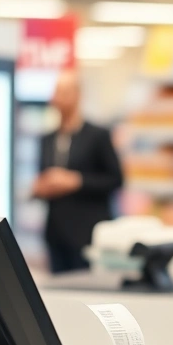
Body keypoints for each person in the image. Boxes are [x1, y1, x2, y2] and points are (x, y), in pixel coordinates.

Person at [33, 69, 123, 274]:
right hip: (56, 232)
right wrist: (41, 187)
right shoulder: (47, 139)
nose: (57, 98)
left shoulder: (97, 136)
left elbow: (116, 179)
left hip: (87, 231)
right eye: (56, 92)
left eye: (64, 92)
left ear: (78, 95)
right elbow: (42, 175)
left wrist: (76, 181)